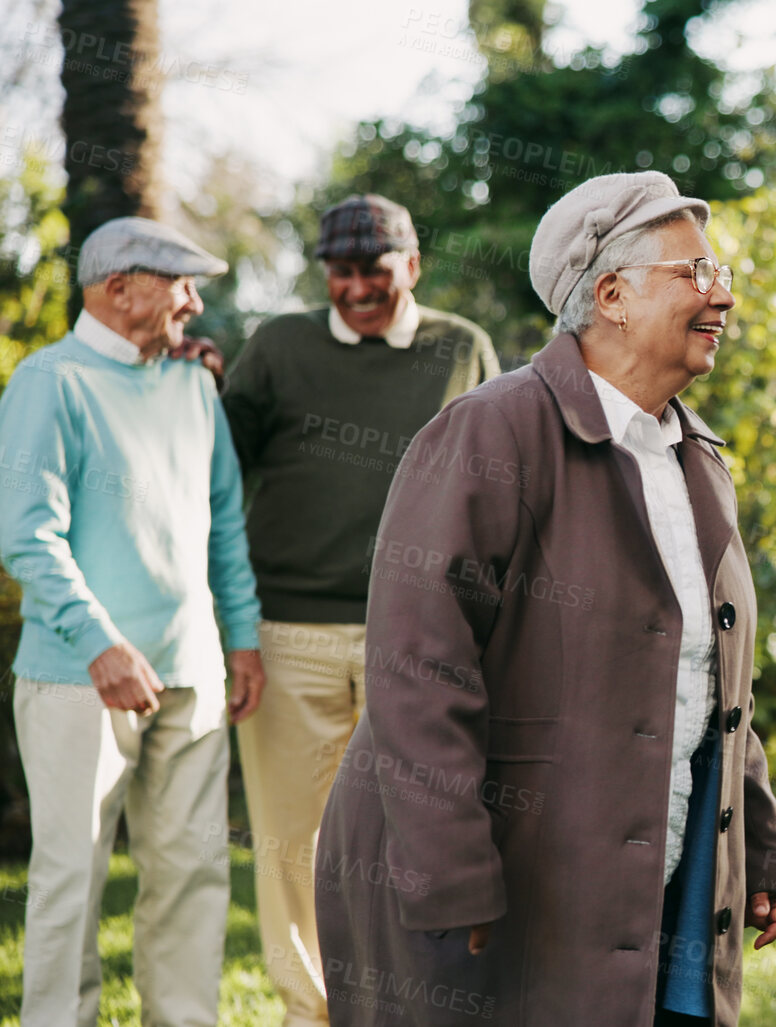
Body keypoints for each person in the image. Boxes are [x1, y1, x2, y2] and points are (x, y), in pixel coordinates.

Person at [315, 170, 776, 1026]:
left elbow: (715, 680)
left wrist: (752, 844)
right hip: (505, 881)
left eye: (719, 274)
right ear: (611, 294)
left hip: (658, 870)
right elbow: (417, 667)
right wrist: (449, 868)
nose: (721, 293)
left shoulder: (695, 457)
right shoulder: (492, 431)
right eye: (695, 272)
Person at [219, 193, 500, 1027]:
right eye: (341, 273)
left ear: (411, 265)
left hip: (420, 635)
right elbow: (214, 463)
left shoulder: (462, 347)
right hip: (290, 630)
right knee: (288, 843)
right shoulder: (277, 346)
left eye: (373, 270)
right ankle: (311, 1011)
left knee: (418, 833)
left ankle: (405, 1005)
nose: (357, 288)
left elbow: (495, 480)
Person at [0, 216, 266, 1027]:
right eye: (179, 282)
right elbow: (25, 534)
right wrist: (99, 643)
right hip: (79, 676)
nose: (193, 303)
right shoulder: (49, 381)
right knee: (71, 877)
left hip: (192, 669)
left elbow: (223, 519)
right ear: (120, 288)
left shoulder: (193, 382)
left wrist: (243, 635)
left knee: (192, 870)